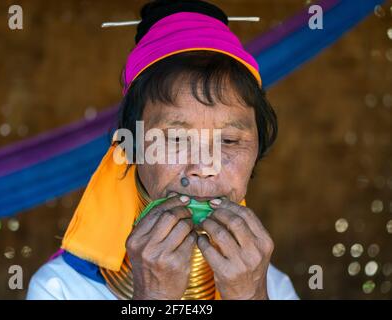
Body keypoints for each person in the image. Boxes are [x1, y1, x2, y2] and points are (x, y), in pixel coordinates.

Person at [27, 0, 298, 300]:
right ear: (129, 147)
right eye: (177, 139)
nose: (206, 166)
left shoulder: (272, 288)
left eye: (230, 141)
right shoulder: (61, 289)